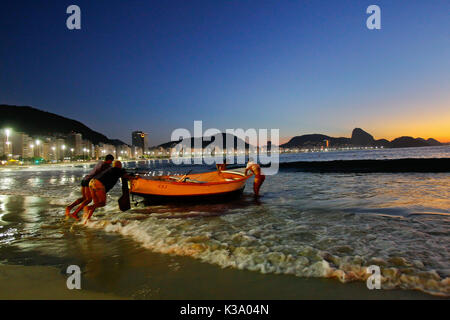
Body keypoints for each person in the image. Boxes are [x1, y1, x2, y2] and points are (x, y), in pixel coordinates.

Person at [65, 154, 114, 220]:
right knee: (89, 199)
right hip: (90, 181)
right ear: (109, 160)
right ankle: (75, 213)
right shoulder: (105, 165)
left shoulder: (100, 162)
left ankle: (69, 207)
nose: (111, 163)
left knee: (84, 198)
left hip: (85, 179)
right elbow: (111, 170)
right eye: (111, 161)